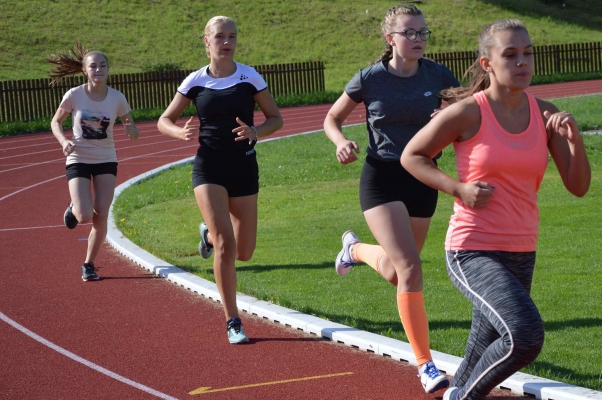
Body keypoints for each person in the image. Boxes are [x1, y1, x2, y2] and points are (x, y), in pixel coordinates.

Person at [401, 19, 591, 400]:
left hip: (522, 250)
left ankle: (459, 393)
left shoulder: (545, 114)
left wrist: (575, 141)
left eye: (527, 54)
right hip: (472, 249)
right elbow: (412, 156)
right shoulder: (470, 112)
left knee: (483, 345)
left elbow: (578, 186)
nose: (522, 62)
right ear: (488, 63)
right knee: (524, 336)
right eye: (510, 55)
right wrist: (458, 189)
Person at [323, 4, 459, 393]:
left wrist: (445, 119)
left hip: (423, 177)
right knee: (412, 269)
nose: (418, 39)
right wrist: (340, 141)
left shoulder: (439, 75)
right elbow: (331, 118)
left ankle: (354, 250)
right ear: (390, 38)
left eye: (423, 33)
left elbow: (465, 113)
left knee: (398, 273)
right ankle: (426, 365)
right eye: (409, 33)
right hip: (381, 177)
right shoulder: (370, 78)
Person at [157, 16, 283, 345]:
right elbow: (164, 120)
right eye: (220, 36)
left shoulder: (249, 76)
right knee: (227, 246)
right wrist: (178, 130)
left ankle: (208, 235)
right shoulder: (194, 82)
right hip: (208, 167)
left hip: (243, 167)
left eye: (232, 36)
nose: (226, 42)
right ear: (206, 41)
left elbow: (276, 119)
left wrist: (256, 132)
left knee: (244, 251)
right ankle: (233, 320)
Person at [48, 43, 140, 282]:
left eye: (102, 65)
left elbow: (134, 133)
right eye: (93, 66)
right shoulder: (74, 95)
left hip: (106, 159)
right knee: (85, 215)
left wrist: (131, 130)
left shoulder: (117, 98)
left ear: (108, 69)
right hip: (78, 157)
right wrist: (63, 141)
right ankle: (74, 208)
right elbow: (55, 122)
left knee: (101, 215)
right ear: (85, 71)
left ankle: (88, 264)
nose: (98, 69)